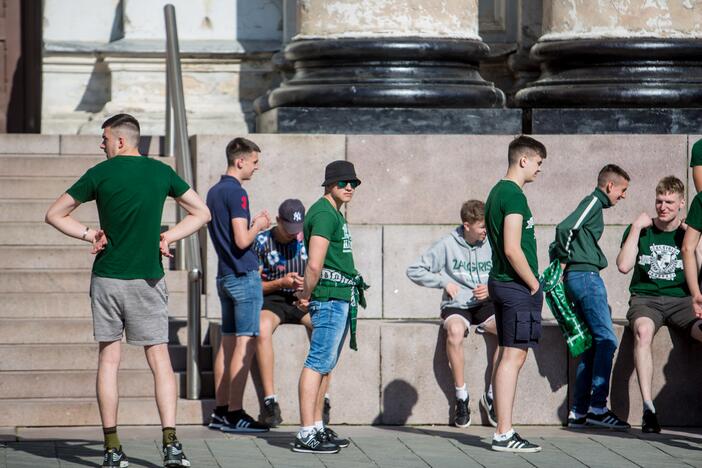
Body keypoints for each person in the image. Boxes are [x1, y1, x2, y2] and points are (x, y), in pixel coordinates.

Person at [45, 113, 211, 468]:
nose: (101, 145)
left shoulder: (99, 174)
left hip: (107, 277)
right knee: (159, 359)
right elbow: (202, 213)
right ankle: (171, 445)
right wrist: (169, 236)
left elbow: (55, 214)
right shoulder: (161, 172)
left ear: (120, 140)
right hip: (147, 278)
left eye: (104, 138)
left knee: (109, 359)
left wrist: (91, 234)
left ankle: (111, 448)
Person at [292, 160, 368, 454]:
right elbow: (314, 263)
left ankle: (317, 426)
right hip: (328, 298)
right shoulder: (324, 214)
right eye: (343, 182)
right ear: (329, 184)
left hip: (339, 296)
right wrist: (306, 296)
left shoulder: (333, 213)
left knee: (325, 365)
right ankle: (305, 432)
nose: (349, 187)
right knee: (316, 363)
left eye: (354, 183)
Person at [617, 175, 702, 433]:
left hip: (682, 301)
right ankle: (648, 408)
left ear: (681, 204)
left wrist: (694, 240)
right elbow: (623, 265)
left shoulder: (688, 234)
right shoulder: (643, 231)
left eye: (669, 202)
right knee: (643, 332)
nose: (663, 206)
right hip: (646, 300)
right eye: (659, 201)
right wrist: (634, 228)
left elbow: (699, 268)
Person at [551, 164, 631, 430]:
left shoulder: (595, 206)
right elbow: (565, 228)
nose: (623, 196)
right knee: (607, 340)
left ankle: (579, 412)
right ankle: (598, 408)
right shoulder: (593, 203)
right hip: (585, 277)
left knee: (591, 346)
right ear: (610, 186)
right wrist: (564, 260)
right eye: (622, 190)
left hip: (581, 278)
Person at [406, 199, 498, 428]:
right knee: (455, 332)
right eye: (482, 227)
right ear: (467, 225)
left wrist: (491, 288)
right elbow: (414, 270)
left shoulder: (492, 242)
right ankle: (461, 397)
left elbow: (506, 273)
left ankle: (493, 395)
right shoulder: (448, 244)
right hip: (457, 304)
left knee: (508, 330)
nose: (486, 231)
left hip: (486, 302)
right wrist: (443, 282)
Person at [484, 135, 546, 453]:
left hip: (504, 283)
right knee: (513, 356)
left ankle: (504, 429)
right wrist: (534, 283)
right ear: (523, 160)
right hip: (516, 286)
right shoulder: (514, 195)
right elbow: (511, 247)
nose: (539, 169)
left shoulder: (497, 191)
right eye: (538, 163)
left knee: (509, 355)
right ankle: (504, 431)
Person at [206, 137, 271, 433]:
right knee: (244, 345)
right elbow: (242, 239)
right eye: (255, 162)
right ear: (240, 160)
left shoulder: (213, 191)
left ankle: (220, 411)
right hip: (244, 276)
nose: (257, 167)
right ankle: (234, 413)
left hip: (224, 276)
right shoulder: (237, 193)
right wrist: (259, 225)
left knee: (228, 343)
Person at [253, 198, 332, 427]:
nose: (294, 235)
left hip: (305, 298)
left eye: (297, 229)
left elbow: (323, 272)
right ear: (278, 221)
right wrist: (280, 283)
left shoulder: (308, 238)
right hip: (273, 297)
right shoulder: (262, 241)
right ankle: (270, 402)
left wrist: (308, 292)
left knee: (325, 328)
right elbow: (251, 284)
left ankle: (322, 399)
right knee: (261, 327)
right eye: (289, 230)